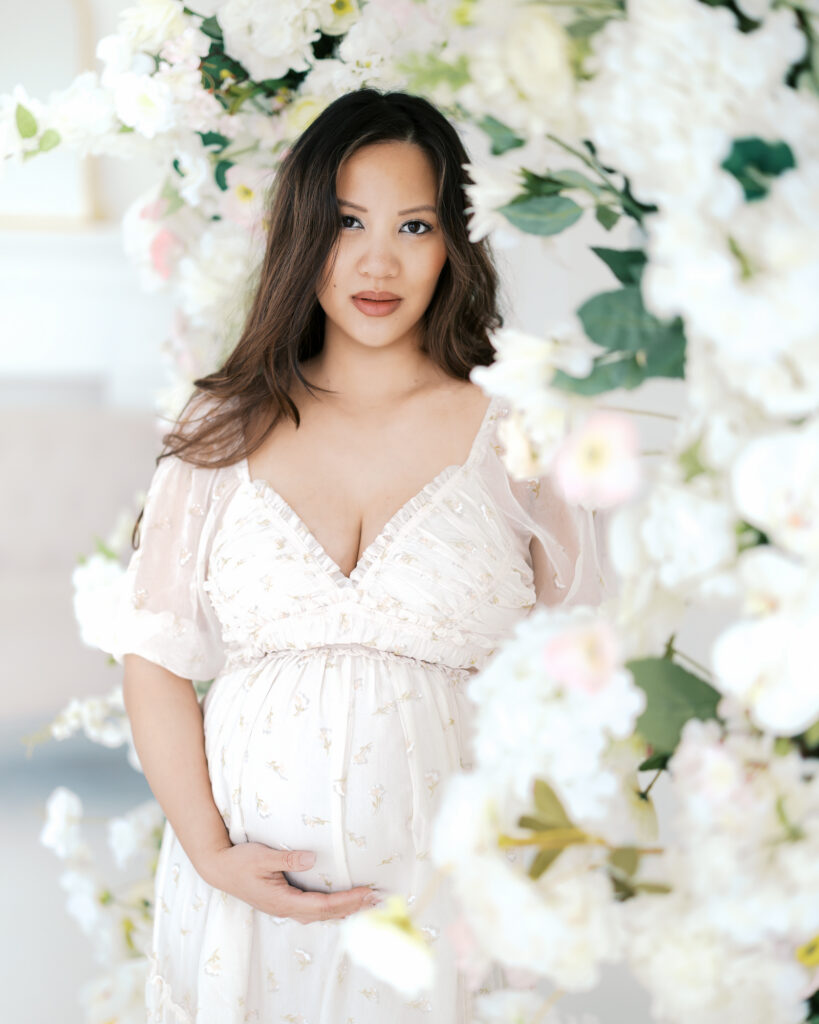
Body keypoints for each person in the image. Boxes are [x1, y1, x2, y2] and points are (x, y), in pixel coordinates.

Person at [114, 87, 606, 1024]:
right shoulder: (221, 429)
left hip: (447, 893)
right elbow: (156, 658)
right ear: (304, 230)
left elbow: (576, 677)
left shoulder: (522, 433)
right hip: (239, 907)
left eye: (414, 224)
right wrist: (212, 854)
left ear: (456, 241)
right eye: (347, 222)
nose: (378, 260)